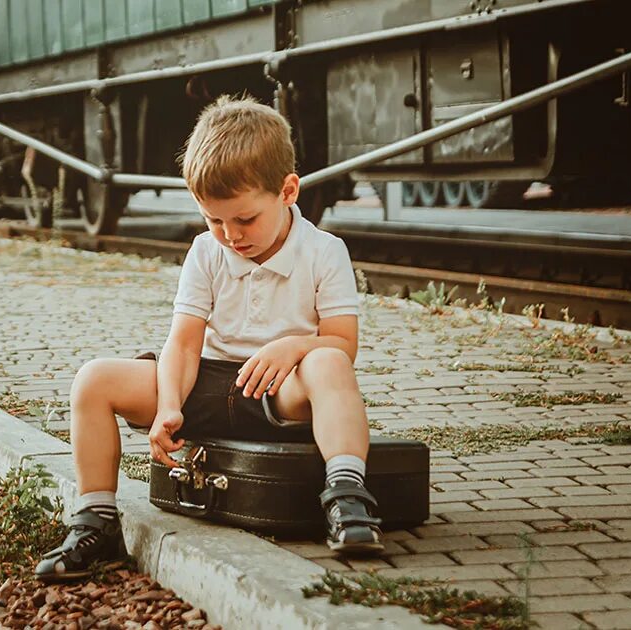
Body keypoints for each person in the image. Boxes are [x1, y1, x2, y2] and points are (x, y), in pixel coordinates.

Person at [35, 96, 382, 583]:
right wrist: (169, 405)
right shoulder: (206, 252)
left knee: (329, 365)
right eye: (214, 220)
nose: (230, 235)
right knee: (94, 380)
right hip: (208, 383)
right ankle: (96, 518)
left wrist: (296, 346)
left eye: (244, 220)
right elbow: (182, 343)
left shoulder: (325, 251)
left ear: (287, 191)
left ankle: (347, 496)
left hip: (279, 389)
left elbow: (343, 343)